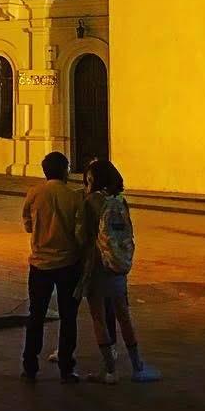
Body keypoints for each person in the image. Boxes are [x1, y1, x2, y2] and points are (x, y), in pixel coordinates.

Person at [78, 160, 159, 384]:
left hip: (96, 265)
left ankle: (110, 370)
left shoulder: (91, 202)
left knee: (99, 318)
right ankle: (137, 365)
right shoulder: (120, 202)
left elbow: (82, 234)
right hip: (117, 266)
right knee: (123, 314)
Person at [21, 152, 85, 383]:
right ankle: (67, 367)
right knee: (69, 317)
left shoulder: (34, 193)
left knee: (36, 314)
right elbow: (79, 233)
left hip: (39, 263)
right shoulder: (74, 197)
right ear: (65, 170)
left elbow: (27, 223)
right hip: (68, 263)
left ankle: (30, 364)